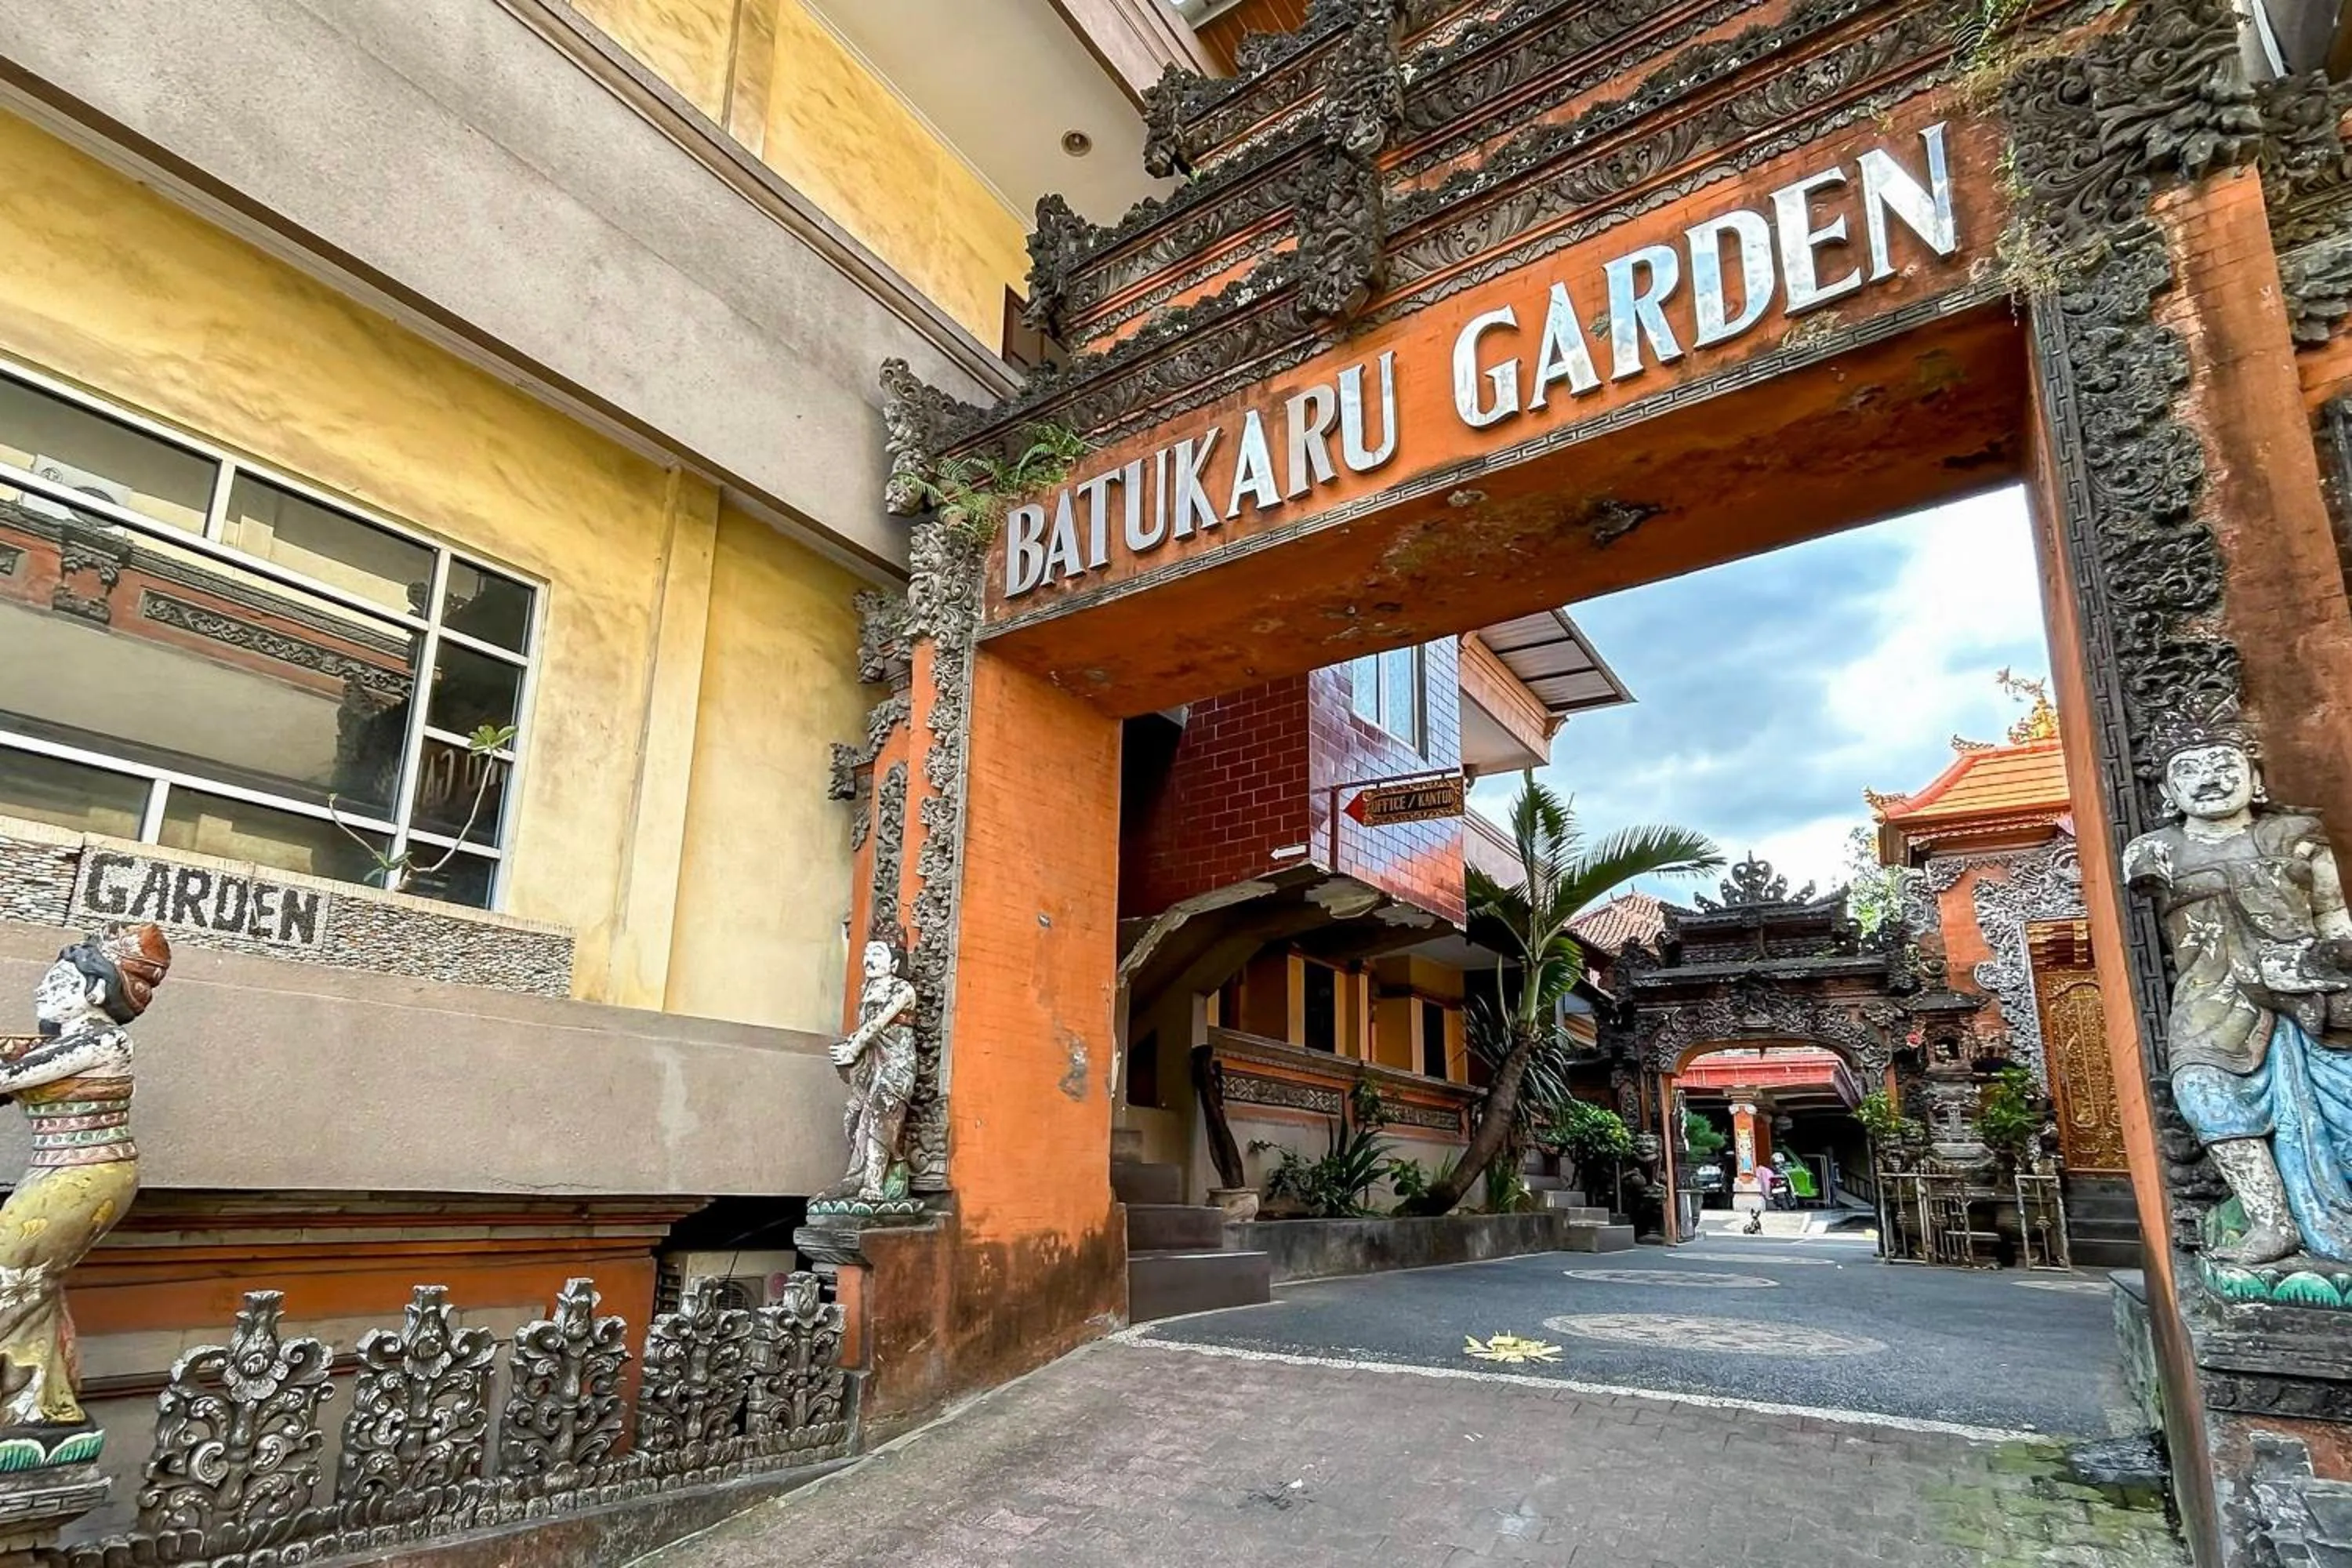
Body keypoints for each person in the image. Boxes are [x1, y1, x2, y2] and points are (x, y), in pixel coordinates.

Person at [2123, 710, 2352, 1265]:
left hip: (2306, 984)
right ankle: (2270, 1221)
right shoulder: (2153, 852)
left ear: (2255, 777)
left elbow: (2333, 918)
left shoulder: (2295, 836)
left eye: (2224, 764)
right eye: (2189, 770)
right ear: (2168, 791)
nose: (2209, 779)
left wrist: (2331, 964)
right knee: (2203, 1089)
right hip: (2213, 992)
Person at [0, 924, 169, 1431]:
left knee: (11, 1278)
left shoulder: (103, 1041)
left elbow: (10, 1075)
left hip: (87, 1174)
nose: (42, 990)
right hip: (57, 1171)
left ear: (95, 991)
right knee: (31, 1284)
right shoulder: (69, 1041)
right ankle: (38, 1400)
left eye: (58, 982)